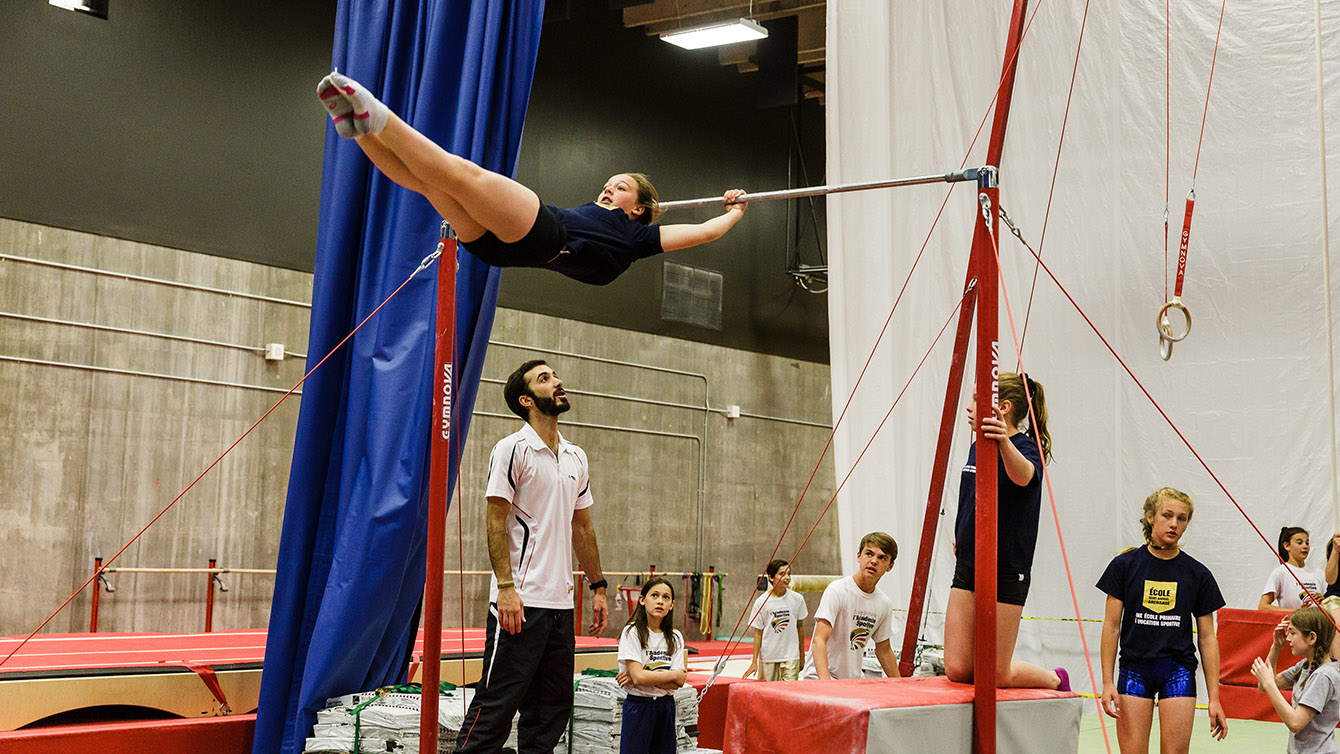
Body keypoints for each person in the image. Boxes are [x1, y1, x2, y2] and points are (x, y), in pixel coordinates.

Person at [316, 71, 749, 286]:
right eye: (608, 181)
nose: (607, 187)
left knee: (462, 174)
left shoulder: (637, 238)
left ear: (638, 208)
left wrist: (734, 210)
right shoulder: (604, 219)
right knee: (430, 183)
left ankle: (380, 116)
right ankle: (357, 129)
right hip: (506, 250)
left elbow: (704, 232)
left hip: (542, 236)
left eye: (620, 187)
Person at [455, 359, 609, 754]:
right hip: (519, 603)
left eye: (555, 375)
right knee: (496, 709)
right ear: (526, 400)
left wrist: (598, 586)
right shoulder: (511, 450)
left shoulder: (576, 456)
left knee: (550, 713)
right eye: (545, 379)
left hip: (560, 605)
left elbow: (582, 527)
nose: (558, 381)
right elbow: (494, 519)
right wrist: (505, 588)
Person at [943, 372, 1068, 691]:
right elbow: (971, 492)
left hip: (1006, 569)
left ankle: (1055, 678)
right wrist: (961, 530)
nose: (969, 408)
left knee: (996, 674)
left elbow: (1024, 477)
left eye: (976, 400)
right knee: (958, 668)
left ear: (1003, 408)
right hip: (969, 565)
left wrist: (1002, 440)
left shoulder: (1026, 448)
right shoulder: (976, 447)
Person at [1097, 487, 1229, 754]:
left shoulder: (1197, 574)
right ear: (1150, 517)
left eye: (1182, 518)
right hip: (1135, 668)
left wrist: (1214, 698)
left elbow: (1207, 638)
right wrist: (1107, 681)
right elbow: (1111, 627)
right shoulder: (1124, 566)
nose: (1174, 524)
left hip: (1177, 670)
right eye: (1167, 515)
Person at [800, 532, 901, 680]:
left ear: (890, 566)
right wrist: (825, 682)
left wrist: (901, 686)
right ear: (859, 556)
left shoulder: (883, 603)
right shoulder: (837, 590)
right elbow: (819, 640)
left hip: (851, 681)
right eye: (869, 554)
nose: (874, 561)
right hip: (819, 678)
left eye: (882, 558)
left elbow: (884, 650)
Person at [1252, 606, 1340, 753]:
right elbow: (1265, 686)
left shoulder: (1323, 676)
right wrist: (1275, 648)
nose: (1288, 638)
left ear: (1312, 637)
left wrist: (1268, 683)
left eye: (1293, 633)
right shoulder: (1305, 666)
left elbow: (1295, 722)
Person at [615, 578, 687, 754]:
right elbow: (640, 678)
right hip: (639, 707)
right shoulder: (632, 632)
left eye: (666, 597)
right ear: (642, 600)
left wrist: (642, 674)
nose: (660, 601)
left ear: (672, 605)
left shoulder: (675, 637)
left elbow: (678, 683)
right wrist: (671, 675)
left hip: (665, 706)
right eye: (654, 595)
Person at [742, 559, 808, 682]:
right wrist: (754, 662)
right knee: (768, 695)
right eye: (782, 574)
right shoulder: (761, 602)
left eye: (789, 573)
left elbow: (800, 627)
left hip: (791, 657)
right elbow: (758, 633)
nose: (787, 577)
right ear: (771, 577)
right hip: (768, 657)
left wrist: (802, 656)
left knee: (789, 696)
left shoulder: (797, 599)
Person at [1260, 526, 1325, 611]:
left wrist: (1325, 600)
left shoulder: (1318, 572)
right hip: (1294, 622)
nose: (1305, 546)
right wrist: (1296, 612)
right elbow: (1263, 606)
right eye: (1299, 542)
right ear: (1287, 546)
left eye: (1307, 543)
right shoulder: (1280, 573)